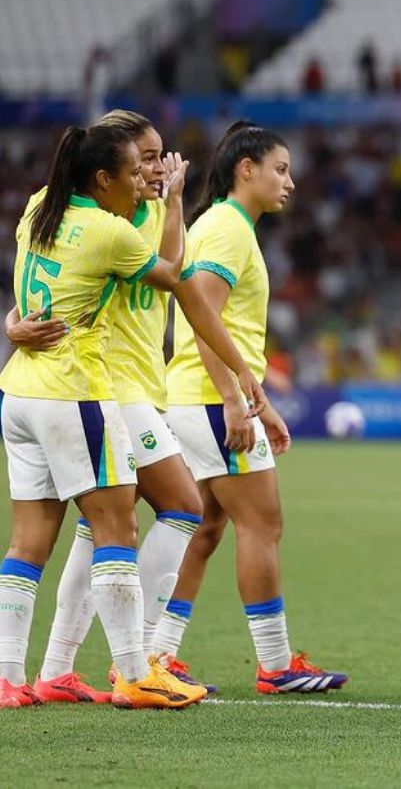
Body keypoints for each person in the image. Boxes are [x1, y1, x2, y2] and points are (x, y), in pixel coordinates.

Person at [0, 123, 265, 709]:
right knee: (139, 518)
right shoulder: (112, 225)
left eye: (158, 158)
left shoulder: (43, 204)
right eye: (141, 160)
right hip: (94, 388)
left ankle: (28, 673)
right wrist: (238, 369)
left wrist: (13, 324)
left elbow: (45, 279)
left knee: (45, 537)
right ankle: (135, 664)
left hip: (25, 390)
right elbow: (180, 284)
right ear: (105, 174)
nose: (153, 168)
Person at [156, 121, 348, 694]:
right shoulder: (228, 230)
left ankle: (159, 653)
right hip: (211, 401)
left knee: (208, 525)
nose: (289, 182)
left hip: (200, 397)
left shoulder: (225, 226)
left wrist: (256, 403)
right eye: (280, 169)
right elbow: (202, 317)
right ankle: (275, 665)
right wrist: (236, 403)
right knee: (262, 523)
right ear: (247, 169)